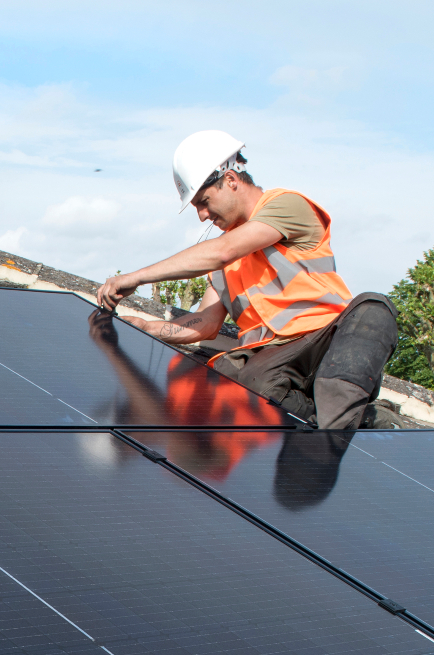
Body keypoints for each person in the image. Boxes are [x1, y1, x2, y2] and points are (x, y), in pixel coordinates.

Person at [95, 130, 397, 431]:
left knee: (373, 308)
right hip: (275, 362)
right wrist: (148, 328)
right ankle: (355, 422)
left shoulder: (284, 206)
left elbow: (223, 251)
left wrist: (136, 277)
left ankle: (340, 421)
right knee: (242, 384)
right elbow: (206, 324)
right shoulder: (223, 264)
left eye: (204, 201)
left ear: (230, 180)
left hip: (327, 344)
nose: (201, 215)